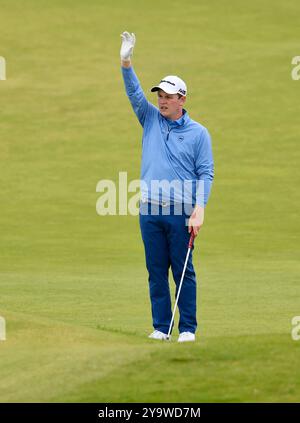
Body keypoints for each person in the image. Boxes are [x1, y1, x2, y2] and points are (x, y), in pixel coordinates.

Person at [120, 31, 214, 342]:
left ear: (182, 99)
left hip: (182, 214)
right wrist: (126, 62)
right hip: (150, 211)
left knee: (183, 272)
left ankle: (187, 329)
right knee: (156, 274)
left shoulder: (199, 134)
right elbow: (134, 93)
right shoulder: (149, 119)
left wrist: (199, 209)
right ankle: (161, 328)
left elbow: (206, 173)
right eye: (159, 95)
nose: (161, 101)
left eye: (168, 97)